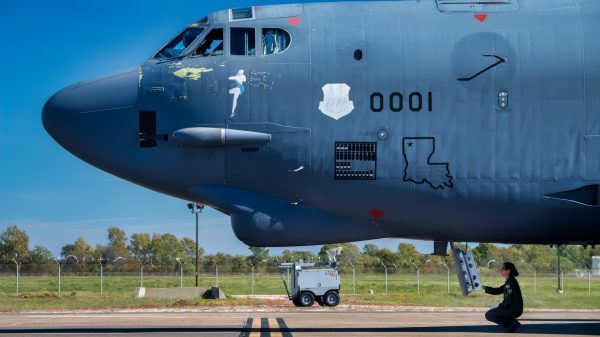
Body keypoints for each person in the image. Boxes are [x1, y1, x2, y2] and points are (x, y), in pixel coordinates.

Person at [483, 262, 523, 333]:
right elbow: (498, 290)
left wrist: (498, 307)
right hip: (514, 308)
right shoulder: (509, 281)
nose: (501, 270)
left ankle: (512, 323)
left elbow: (508, 300)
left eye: (503, 268)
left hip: (513, 309)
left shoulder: (510, 283)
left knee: (489, 315)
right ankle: (512, 323)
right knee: (491, 313)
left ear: (508, 271)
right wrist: (483, 287)